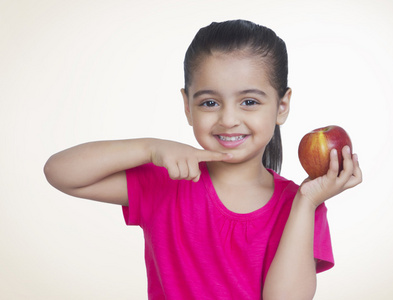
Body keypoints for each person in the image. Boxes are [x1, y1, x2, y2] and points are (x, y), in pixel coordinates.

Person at [44, 19, 362, 300]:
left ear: (281, 106)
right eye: (210, 102)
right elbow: (61, 172)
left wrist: (306, 203)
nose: (228, 119)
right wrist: (148, 148)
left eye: (249, 101)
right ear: (187, 106)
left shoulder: (300, 206)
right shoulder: (165, 181)